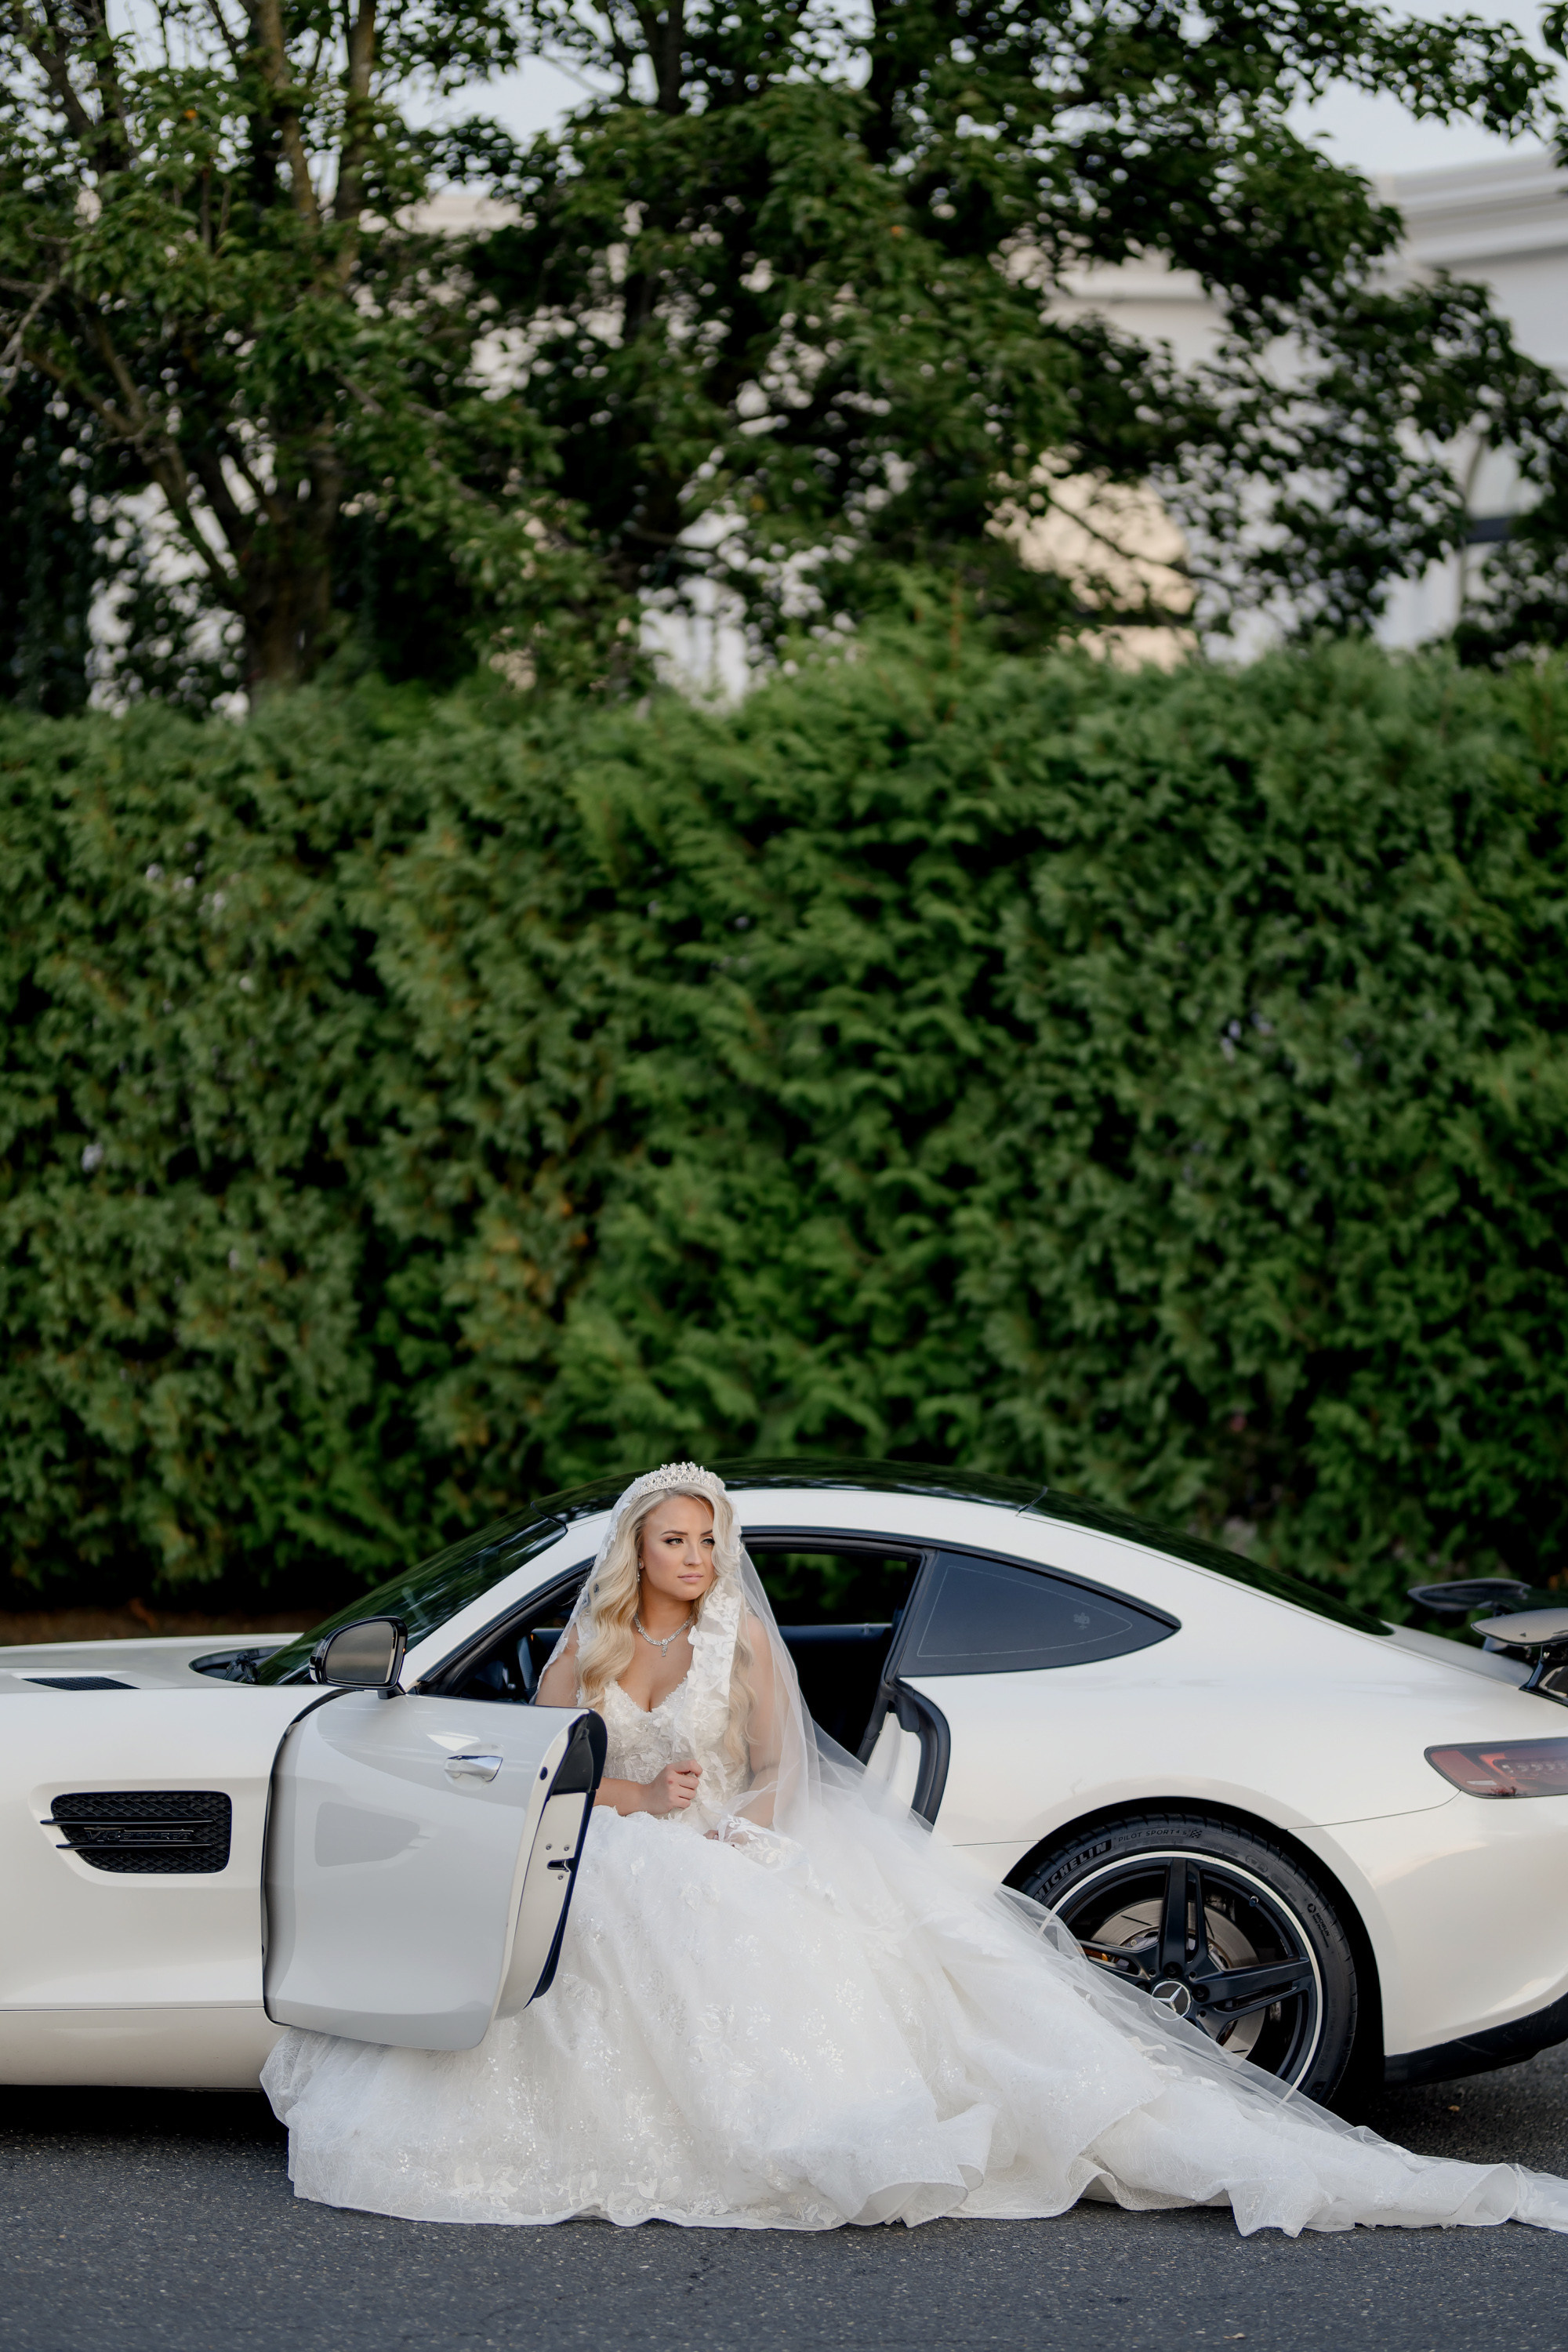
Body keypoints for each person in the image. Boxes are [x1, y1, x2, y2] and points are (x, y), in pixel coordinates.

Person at [263, 1463, 1568, 2235]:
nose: (701, 1558)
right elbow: (555, 1766)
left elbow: (776, 1771)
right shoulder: (587, 1647)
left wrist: (724, 1836)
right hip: (604, 1844)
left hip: (708, 1843)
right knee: (592, 1909)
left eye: (712, 1540)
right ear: (636, 1554)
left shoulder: (740, 1642)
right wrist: (626, 1811)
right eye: (678, 1541)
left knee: (678, 1915)